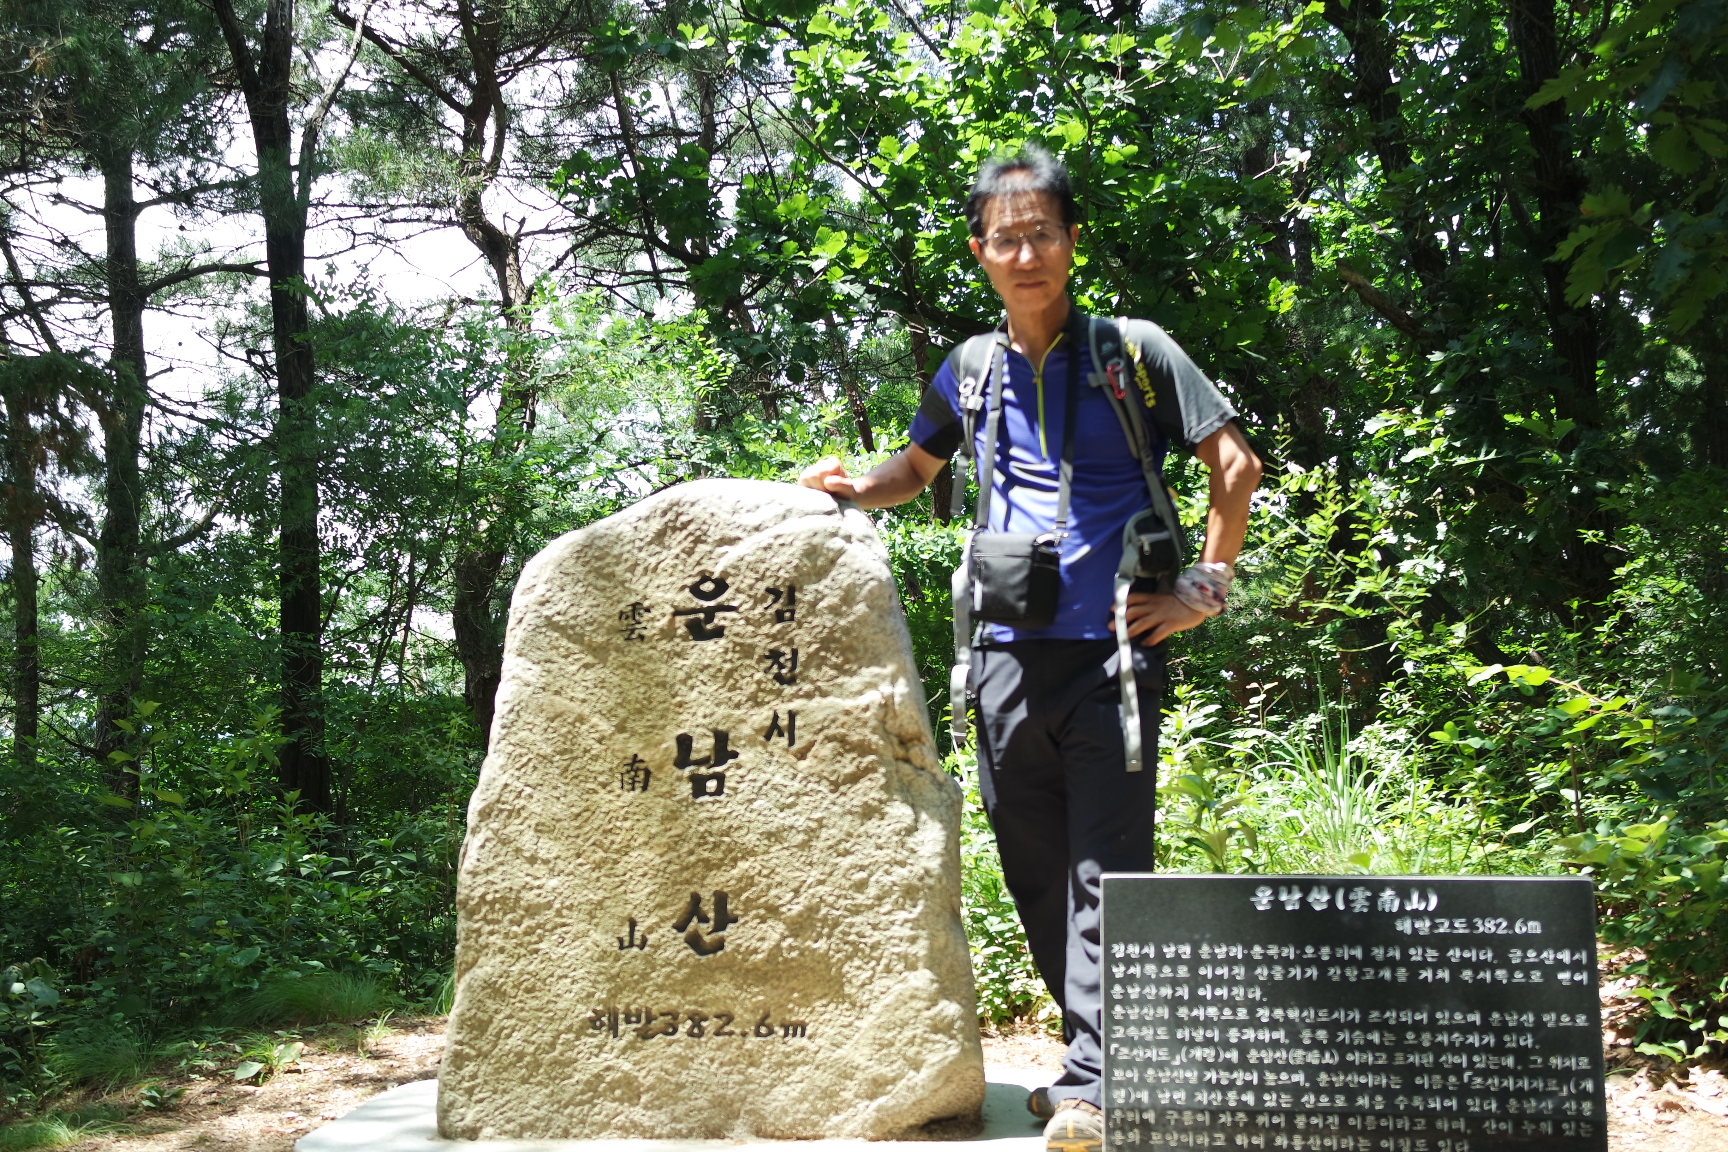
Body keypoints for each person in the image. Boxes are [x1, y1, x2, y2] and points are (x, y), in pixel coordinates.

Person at [799, 146, 1261, 1152]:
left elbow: (1236, 465)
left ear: (1070, 241)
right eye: (1005, 239)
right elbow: (915, 470)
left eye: (1041, 233)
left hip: (1117, 652)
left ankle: (1096, 1082)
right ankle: (1095, 1061)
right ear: (981, 252)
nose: (1025, 254)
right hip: (1004, 655)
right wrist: (850, 486)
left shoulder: (1133, 350)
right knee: (1035, 869)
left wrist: (1206, 589)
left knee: (1106, 869)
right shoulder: (970, 369)